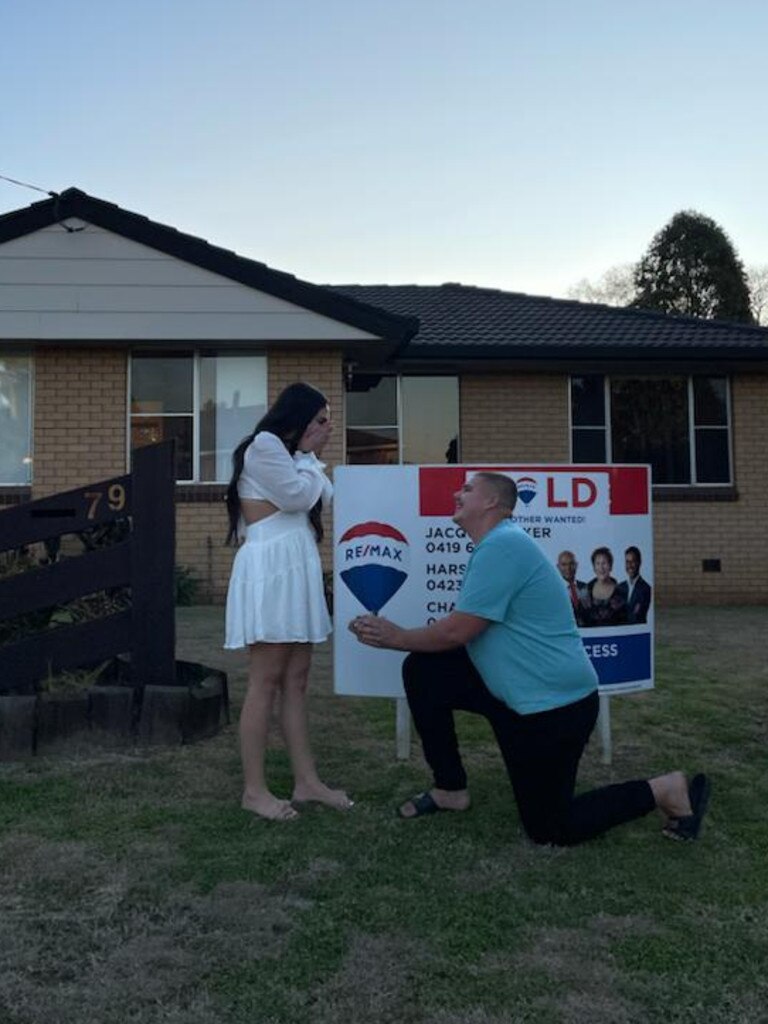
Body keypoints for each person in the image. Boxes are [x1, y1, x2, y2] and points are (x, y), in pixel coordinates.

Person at [350, 472, 710, 845]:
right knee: (426, 670)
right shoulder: (495, 546)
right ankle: (450, 789)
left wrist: (396, 637)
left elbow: (458, 631)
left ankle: (666, 789)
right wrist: (403, 641)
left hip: (555, 707)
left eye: (468, 489)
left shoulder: (503, 546)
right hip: (511, 695)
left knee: (551, 828)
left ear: (492, 503)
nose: (458, 493)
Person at [224, 382, 352, 821]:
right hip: (272, 568)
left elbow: (324, 497)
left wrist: (308, 459)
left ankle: (307, 781)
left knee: (297, 679)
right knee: (266, 679)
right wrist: (310, 458)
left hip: (297, 565)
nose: (327, 427)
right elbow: (299, 497)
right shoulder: (264, 446)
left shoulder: (297, 459)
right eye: (320, 419)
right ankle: (254, 791)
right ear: (297, 418)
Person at [581, 545, 628, 627]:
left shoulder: (622, 592)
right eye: (598, 563)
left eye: (604, 563)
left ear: (610, 566)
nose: (601, 568)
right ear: (594, 567)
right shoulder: (585, 592)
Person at [616, 546, 652, 624]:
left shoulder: (645, 588)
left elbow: (637, 616)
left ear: (639, 562)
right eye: (627, 562)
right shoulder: (620, 587)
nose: (630, 565)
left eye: (633, 561)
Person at [556, 550, 587, 626]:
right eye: (564, 565)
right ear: (558, 567)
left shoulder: (586, 587)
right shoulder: (554, 590)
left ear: (576, 565)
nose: (568, 568)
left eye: (571, 564)